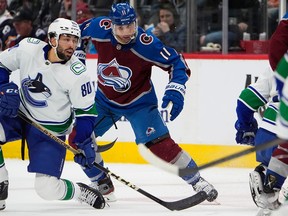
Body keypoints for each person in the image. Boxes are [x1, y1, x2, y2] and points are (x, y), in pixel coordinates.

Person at [72, 2, 218, 203]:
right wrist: (77, 55)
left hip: (139, 103)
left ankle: (197, 180)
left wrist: (176, 89)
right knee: (78, 138)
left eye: (130, 26)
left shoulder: (147, 44)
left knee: (160, 145)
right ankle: (101, 183)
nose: (126, 32)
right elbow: (76, 32)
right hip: (104, 99)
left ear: (136, 23)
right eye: (121, 27)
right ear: (112, 25)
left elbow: (177, 63)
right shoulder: (99, 27)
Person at [0, 17, 106, 210]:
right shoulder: (27, 48)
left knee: (47, 189)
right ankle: (0, 183)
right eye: (66, 38)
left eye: (75, 40)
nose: (72, 45)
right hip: (20, 113)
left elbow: (86, 113)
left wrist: (83, 143)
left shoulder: (78, 73)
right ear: (52, 38)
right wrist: (5, 88)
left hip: (50, 130)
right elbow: (2, 65)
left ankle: (80, 192)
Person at [235, 13, 288, 215]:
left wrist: (245, 127)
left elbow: (245, 100)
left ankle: (266, 182)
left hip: (266, 137)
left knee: (272, 194)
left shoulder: (273, 68)